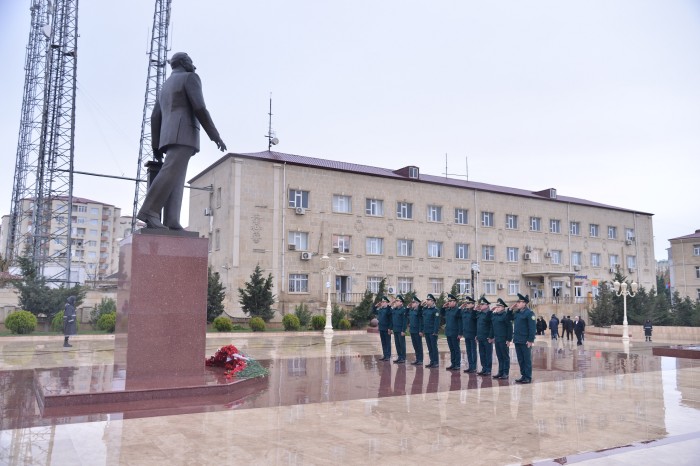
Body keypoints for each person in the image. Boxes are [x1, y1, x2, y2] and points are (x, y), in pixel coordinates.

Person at [137, 52, 227, 230]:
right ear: (185, 63)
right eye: (191, 62)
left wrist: (156, 144)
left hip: (168, 135)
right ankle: (149, 211)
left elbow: (156, 116)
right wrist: (215, 135)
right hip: (184, 132)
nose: (194, 65)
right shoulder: (190, 78)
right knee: (170, 172)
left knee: (176, 175)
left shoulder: (165, 86)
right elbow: (200, 108)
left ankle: (172, 219)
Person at [512, 293, 536, 384]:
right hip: (517, 340)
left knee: (527, 360)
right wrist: (510, 309)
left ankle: (528, 377)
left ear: (524, 303)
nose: (517, 303)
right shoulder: (517, 313)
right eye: (517, 302)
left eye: (519, 302)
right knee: (520, 359)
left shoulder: (529, 313)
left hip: (525, 341)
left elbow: (532, 328)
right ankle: (523, 375)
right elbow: (508, 317)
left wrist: (530, 340)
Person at [490, 298, 513, 379]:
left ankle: (505, 373)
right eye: (497, 306)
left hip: (504, 339)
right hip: (497, 339)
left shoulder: (506, 315)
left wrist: (509, 339)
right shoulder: (495, 315)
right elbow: (493, 327)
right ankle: (500, 372)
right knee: (499, 356)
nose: (497, 308)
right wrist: (491, 337)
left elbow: (509, 328)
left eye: (499, 306)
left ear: (503, 308)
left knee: (505, 356)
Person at [441, 294, 461, 371]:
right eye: (449, 301)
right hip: (448, 332)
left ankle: (457, 364)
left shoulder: (457, 310)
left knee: (456, 349)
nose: (449, 303)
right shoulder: (448, 310)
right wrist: (443, 307)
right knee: (451, 349)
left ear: (455, 302)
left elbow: (459, 322)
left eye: (451, 301)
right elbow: (442, 314)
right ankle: (453, 363)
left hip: (455, 333)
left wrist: (460, 333)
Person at [420, 294, 440, 368]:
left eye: (429, 300)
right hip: (427, 331)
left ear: (432, 301)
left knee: (434, 347)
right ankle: (432, 361)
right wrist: (421, 306)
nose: (427, 301)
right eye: (427, 300)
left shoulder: (435, 310)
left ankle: (436, 362)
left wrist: (435, 331)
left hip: (432, 332)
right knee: (429, 347)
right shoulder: (425, 309)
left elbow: (436, 322)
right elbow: (422, 318)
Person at [460, 295, 478, 373]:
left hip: (473, 334)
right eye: (466, 303)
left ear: (473, 304)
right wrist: (460, 307)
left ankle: (474, 367)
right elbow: (457, 315)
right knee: (468, 351)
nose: (467, 304)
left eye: (469, 303)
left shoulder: (475, 312)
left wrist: (477, 335)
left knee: (473, 351)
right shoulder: (464, 311)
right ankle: (470, 366)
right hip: (466, 334)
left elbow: (477, 323)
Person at [475, 297, 493, 376]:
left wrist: (491, 336)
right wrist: (477, 335)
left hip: (487, 337)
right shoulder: (480, 313)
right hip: (480, 337)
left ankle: (488, 370)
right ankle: (484, 368)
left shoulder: (489, 314)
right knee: (482, 353)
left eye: (482, 304)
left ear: (487, 305)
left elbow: (492, 326)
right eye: (480, 304)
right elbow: (478, 325)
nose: (481, 306)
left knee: (488, 354)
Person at [389, 295, 408, 363]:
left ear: (401, 302)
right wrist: (392, 303)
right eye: (396, 301)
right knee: (397, 344)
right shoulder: (395, 309)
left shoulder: (403, 310)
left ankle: (403, 357)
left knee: (402, 344)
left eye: (397, 301)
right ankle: (399, 357)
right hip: (395, 329)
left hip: (400, 330)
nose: (396, 302)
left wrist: (403, 330)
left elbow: (404, 321)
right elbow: (390, 313)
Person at [373, 296, 392, 361]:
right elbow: (374, 312)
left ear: (387, 303)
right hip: (381, 328)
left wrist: (390, 328)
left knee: (388, 343)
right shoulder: (380, 309)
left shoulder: (389, 310)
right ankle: (385, 355)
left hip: (387, 329)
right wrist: (375, 306)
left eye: (384, 302)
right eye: (382, 302)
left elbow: (390, 320)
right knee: (383, 342)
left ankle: (388, 356)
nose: (382, 303)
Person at [407, 296, 424, 365]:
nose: (412, 304)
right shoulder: (411, 310)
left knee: (419, 345)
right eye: (412, 302)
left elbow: (421, 321)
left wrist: (421, 330)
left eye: (414, 303)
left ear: (417, 304)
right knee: (415, 345)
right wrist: (408, 308)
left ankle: (420, 360)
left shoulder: (419, 311)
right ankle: (417, 359)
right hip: (412, 330)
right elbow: (406, 315)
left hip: (417, 330)